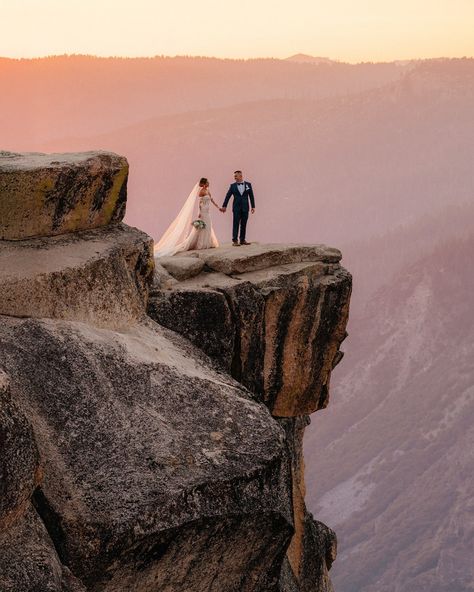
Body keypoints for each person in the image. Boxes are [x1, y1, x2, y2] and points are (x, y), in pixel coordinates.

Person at [154, 178, 219, 257]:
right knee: (203, 227)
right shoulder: (201, 191)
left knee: (208, 226)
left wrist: (218, 207)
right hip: (203, 211)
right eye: (208, 182)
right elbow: (200, 202)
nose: (209, 183)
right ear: (205, 183)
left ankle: (208, 243)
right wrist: (199, 212)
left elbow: (211, 200)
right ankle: (201, 244)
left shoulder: (208, 190)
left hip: (207, 211)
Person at [220, 170, 255, 246]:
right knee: (235, 223)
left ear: (241, 176)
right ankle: (235, 240)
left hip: (245, 207)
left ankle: (242, 240)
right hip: (236, 208)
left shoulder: (248, 185)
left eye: (236, 176)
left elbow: (251, 196)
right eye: (234, 176)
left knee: (244, 224)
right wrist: (224, 206)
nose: (234, 177)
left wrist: (253, 206)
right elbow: (228, 196)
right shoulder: (232, 186)